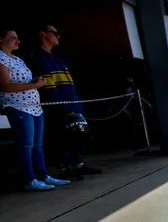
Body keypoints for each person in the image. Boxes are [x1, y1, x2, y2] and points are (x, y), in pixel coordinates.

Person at [0, 28, 70, 191]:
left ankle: (43, 175)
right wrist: (35, 85)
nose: (17, 41)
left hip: (34, 106)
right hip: (18, 106)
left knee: (37, 144)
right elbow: (6, 87)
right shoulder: (1, 59)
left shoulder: (18, 59)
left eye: (18, 38)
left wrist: (34, 81)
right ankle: (29, 179)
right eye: (12, 38)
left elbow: (22, 81)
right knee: (26, 145)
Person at [30, 24, 101, 180]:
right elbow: (48, 86)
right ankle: (64, 168)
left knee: (76, 135)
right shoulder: (39, 57)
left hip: (72, 103)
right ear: (43, 34)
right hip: (57, 107)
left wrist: (75, 104)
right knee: (60, 137)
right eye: (54, 33)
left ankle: (78, 164)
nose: (58, 36)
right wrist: (63, 106)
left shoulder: (58, 58)